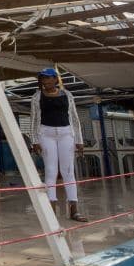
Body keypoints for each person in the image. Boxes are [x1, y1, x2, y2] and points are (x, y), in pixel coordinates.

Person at [30, 67, 88, 222]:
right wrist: (34, 140)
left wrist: (79, 140)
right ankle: (52, 211)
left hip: (66, 134)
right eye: (43, 78)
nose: (46, 81)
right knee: (51, 171)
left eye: (49, 77)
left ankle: (74, 211)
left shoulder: (67, 94)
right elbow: (34, 119)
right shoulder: (36, 97)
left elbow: (74, 117)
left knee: (68, 171)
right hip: (45, 134)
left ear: (56, 79)